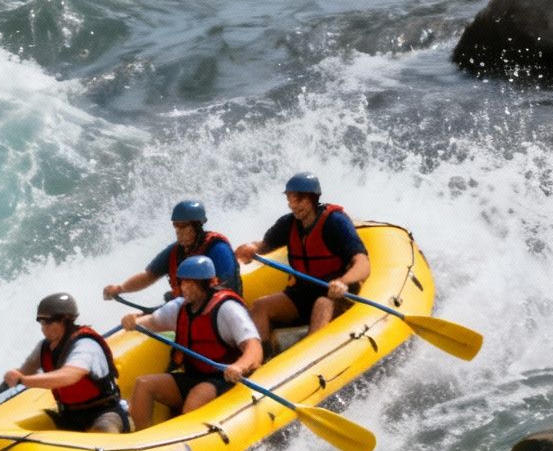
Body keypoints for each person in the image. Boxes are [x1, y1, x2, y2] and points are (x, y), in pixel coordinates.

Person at [120, 256, 263, 430]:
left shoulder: (227, 309)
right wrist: (134, 322)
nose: (183, 287)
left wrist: (239, 366)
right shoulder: (179, 307)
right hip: (194, 374)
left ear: (204, 284)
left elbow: (254, 347)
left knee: (197, 397)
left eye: (190, 283)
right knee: (144, 384)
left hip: (224, 378)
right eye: (182, 282)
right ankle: (142, 441)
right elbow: (152, 322)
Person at [234, 173, 369, 350]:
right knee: (260, 307)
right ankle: (262, 359)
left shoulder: (335, 222)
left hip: (335, 294)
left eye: (299, 199)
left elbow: (362, 262)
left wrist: (343, 282)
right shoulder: (288, 224)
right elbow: (263, 246)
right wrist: (250, 248)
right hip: (303, 292)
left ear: (313, 198)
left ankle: (310, 357)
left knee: (322, 304)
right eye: (290, 199)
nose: (293, 204)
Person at [0, 292, 127, 433]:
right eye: (41, 322)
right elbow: (20, 374)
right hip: (69, 415)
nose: (43, 328)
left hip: (103, 412)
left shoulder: (86, 345)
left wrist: (24, 381)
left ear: (66, 320)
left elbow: (68, 376)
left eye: (48, 322)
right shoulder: (44, 347)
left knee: (105, 429)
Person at [103, 200, 241, 304]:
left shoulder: (218, 249)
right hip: (189, 310)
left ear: (197, 226)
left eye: (183, 226)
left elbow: (226, 287)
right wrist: (120, 289)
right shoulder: (175, 251)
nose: (178, 231)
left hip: (220, 309)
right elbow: (148, 276)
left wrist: (178, 305)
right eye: (176, 226)